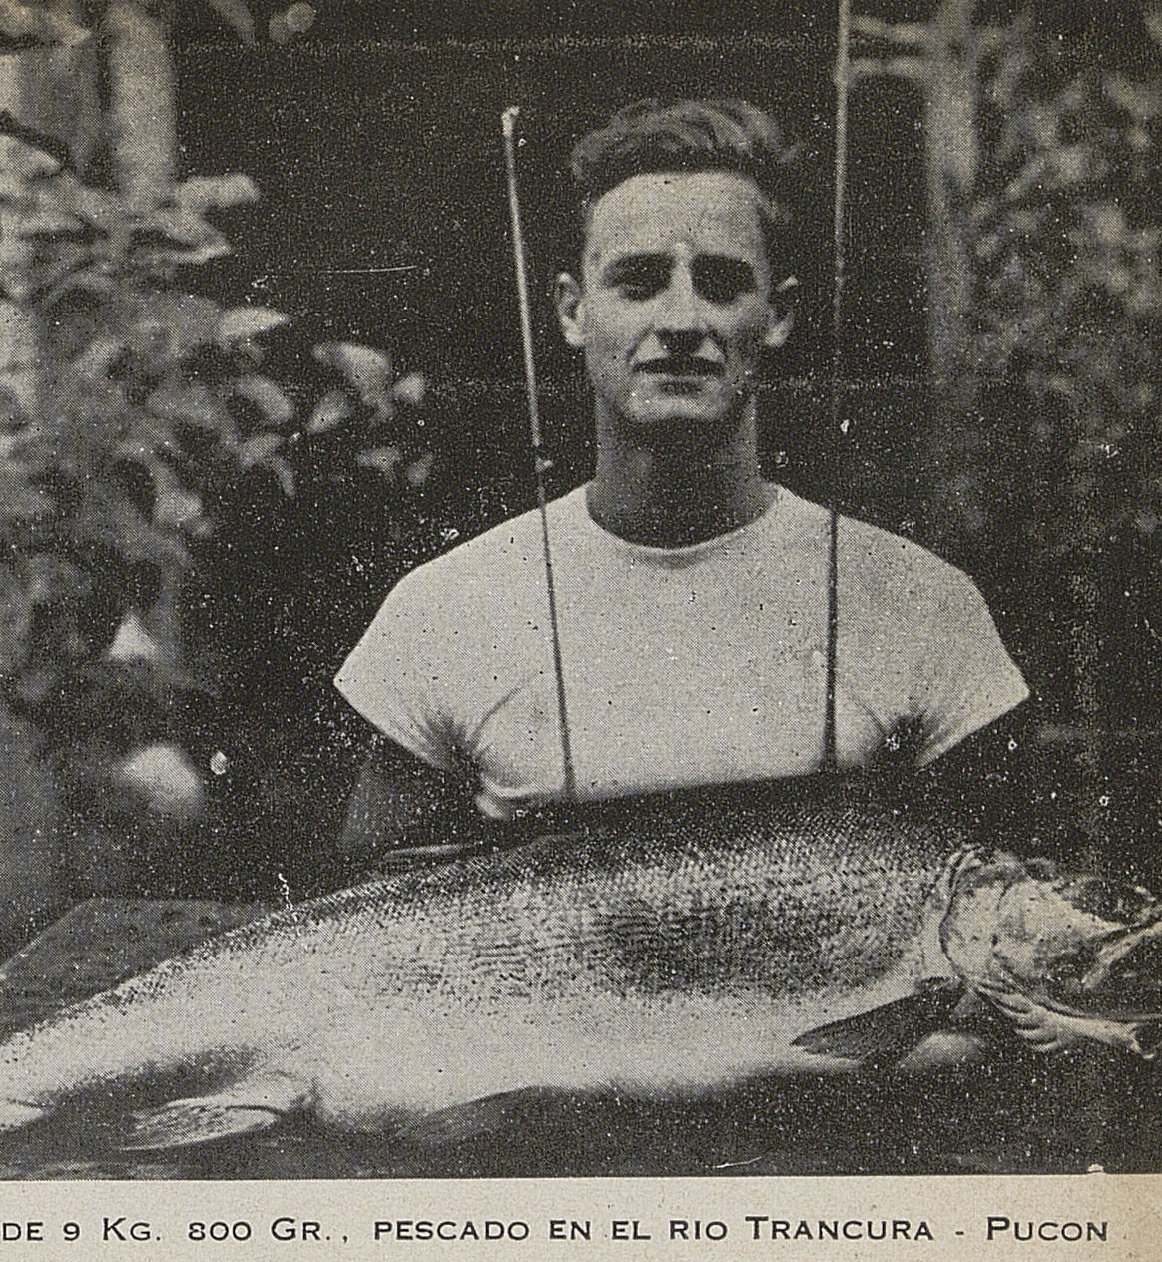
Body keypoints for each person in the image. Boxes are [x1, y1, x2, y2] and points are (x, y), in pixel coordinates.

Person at [334, 97, 1029, 857]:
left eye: (722, 282)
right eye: (638, 281)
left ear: (778, 314)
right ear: (572, 312)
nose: (681, 320)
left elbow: (993, 918)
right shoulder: (447, 611)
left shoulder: (921, 606)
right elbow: (367, 931)